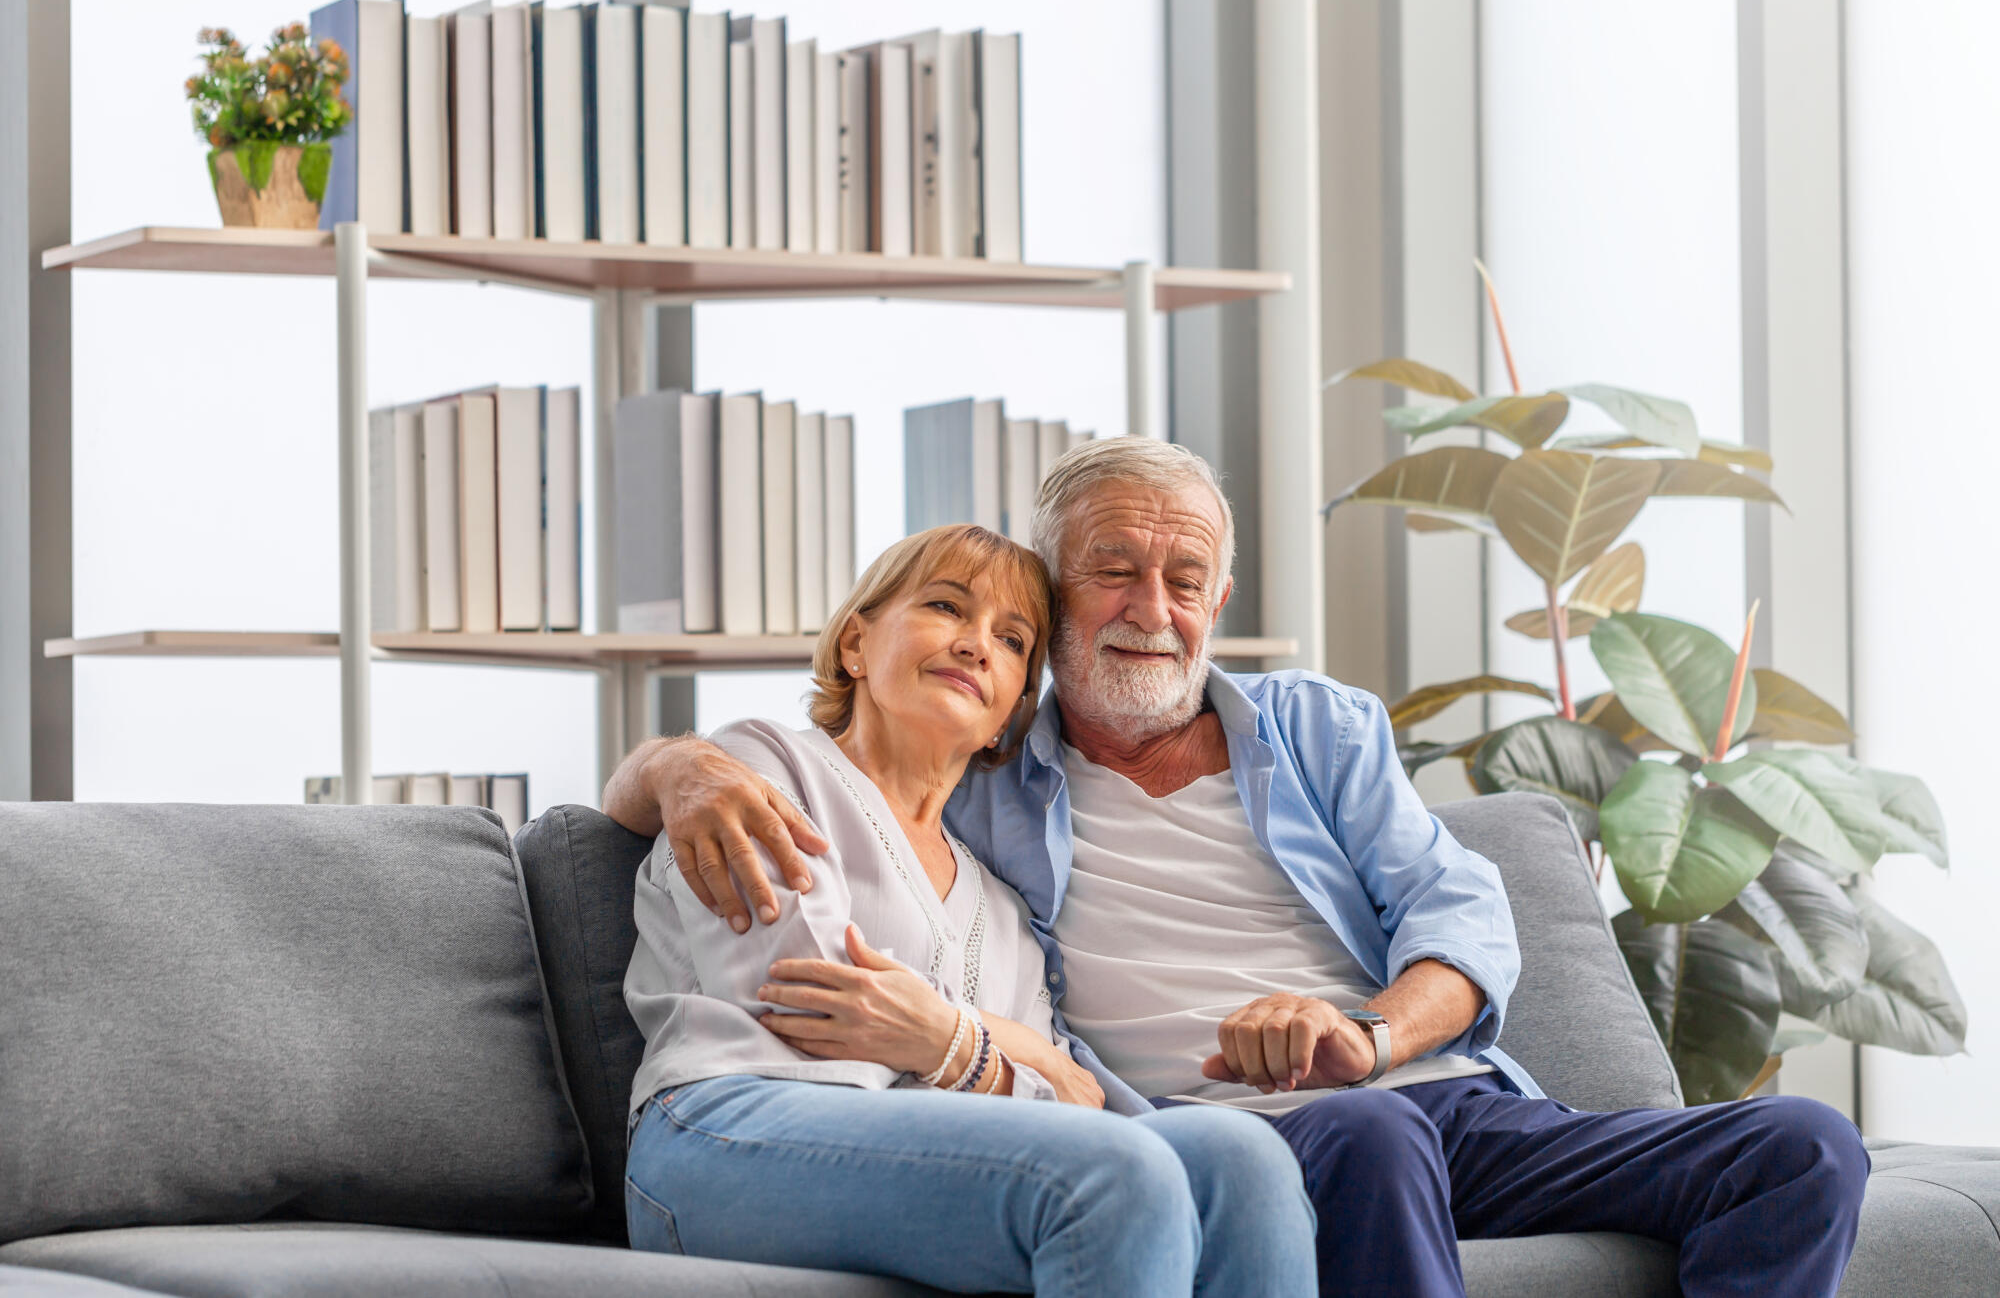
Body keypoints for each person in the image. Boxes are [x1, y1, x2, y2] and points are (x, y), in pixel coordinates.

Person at [607, 436, 1873, 1298]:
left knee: (1802, 1143)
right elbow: (795, 852)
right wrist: (684, 768)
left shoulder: (1316, 729)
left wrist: (1366, 1037)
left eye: (1184, 577)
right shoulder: (989, 771)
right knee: (1353, 1140)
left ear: (1217, 598)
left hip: (1436, 1096)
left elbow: (1457, 916)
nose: (1150, 605)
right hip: (1256, 1131)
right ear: (1060, 603)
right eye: (1110, 569)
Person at [619, 521, 1315, 1298]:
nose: (978, 644)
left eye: (1013, 640)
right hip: (725, 1129)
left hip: (926, 1160)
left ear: (1016, 706)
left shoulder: (1002, 904)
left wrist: (950, 1041)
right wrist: (997, 1051)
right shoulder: (761, 764)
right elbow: (808, 1002)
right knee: (1116, 1169)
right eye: (947, 608)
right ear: (856, 644)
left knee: (1242, 1156)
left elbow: (1076, 1098)